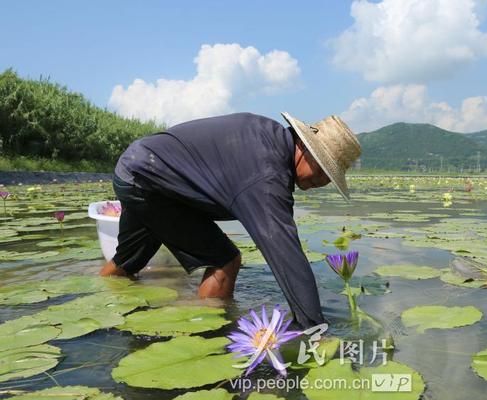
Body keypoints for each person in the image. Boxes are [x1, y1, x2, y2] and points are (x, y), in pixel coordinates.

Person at [99, 112, 361, 329]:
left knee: (128, 259)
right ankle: (208, 335)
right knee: (224, 259)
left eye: (330, 175)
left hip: (137, 168)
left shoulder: (267, 137)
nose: (324, 181)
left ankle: (97, 301)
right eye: (324, 169)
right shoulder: (267, 172)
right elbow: (285, 252)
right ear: (305, 147)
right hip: (150, 181)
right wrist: (314, 327)